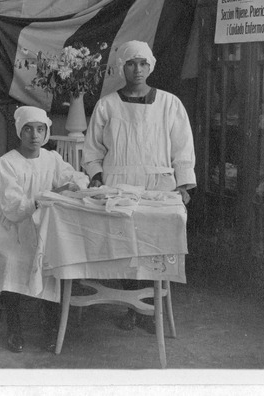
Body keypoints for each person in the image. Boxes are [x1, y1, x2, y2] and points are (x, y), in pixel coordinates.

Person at [82, 39, 196, 330]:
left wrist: (183, 185)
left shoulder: (170, 104)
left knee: (155, 245)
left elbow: (183, 149)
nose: (137, 69)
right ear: (122, 67)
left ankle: (153, 306)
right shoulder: (107, 105)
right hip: (118, 186)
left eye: (143, 63)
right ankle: (133, 304)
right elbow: (93, 150)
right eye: (131, 63)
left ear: (151, 66)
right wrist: (97, 176)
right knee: (125, 246)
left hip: (159, 186)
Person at [0, 106, 89, 353]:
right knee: (12, 260)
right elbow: (13, 208)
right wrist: (50, 195)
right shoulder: (6, 163)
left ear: (46, 131)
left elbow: (76, 178)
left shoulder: (51, 158)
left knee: (51, 259)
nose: (34, 135)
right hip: (9, 228)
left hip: (43, 227)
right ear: (20, 131)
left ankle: (50, 321)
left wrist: (73, 185)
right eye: (28, 129)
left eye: (40, 129)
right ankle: (14, 324)